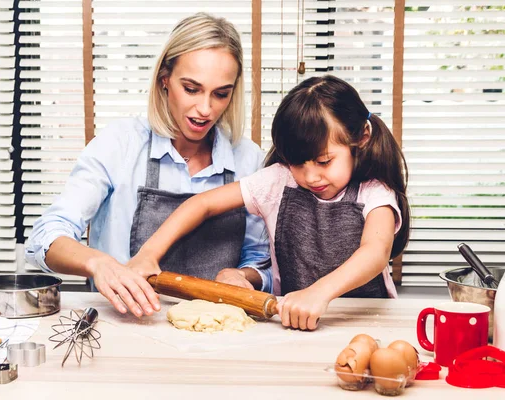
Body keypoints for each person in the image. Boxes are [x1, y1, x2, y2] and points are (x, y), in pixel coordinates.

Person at [25, 13, 271, 319]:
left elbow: (260, 260)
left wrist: (244, 276)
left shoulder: (249, 160)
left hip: (216, 335)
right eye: (191, 89)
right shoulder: (120, 145)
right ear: (164, 78)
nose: (205, 109)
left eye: (221, 93)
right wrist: (99, 264)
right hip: (125, 328)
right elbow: (46, 236)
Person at [127, 75, 411, 331]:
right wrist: (149, 254)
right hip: (291, 324)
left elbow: (375, 252)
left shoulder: (375, 192)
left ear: (360, 138)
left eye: (324, 161)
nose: (311, 176)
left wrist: (319, 293)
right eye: (297, 163)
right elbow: (202, 204)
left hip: (367, 324)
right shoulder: (278, 181)